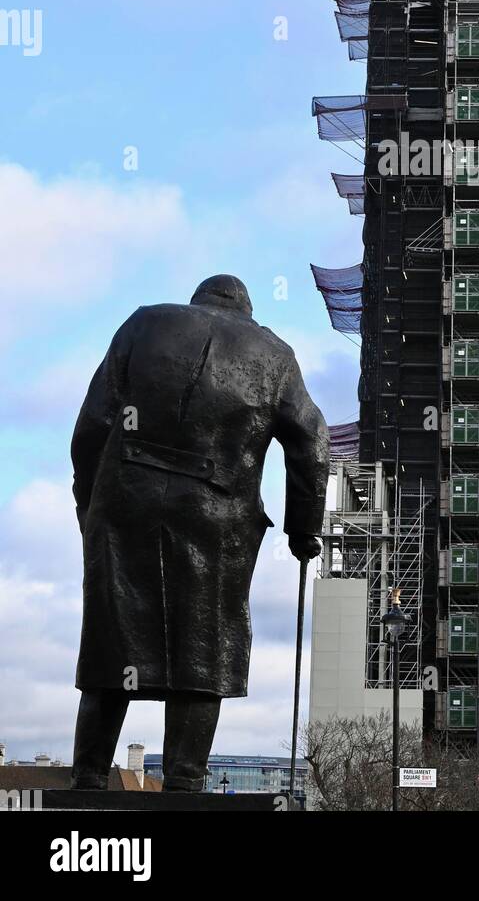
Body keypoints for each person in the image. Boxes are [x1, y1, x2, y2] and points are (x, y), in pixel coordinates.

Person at [70, 274, 330, 791]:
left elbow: (92, 426)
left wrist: (90, 506)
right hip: (217, 516)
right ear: (247, 311)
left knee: (112, 640)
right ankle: (185, 782)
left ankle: (88, 779)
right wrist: (304, 532)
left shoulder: (143, 323)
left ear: (197, 301)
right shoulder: (274, 355)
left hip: (125, 503)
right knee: (206, 643)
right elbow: (311, 443)